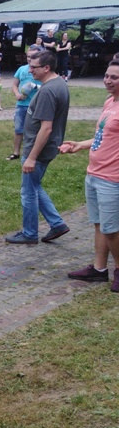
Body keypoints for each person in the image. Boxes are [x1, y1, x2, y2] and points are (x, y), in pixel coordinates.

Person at [61, 60, 119, 292]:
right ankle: (99, 269)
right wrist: (80, 145)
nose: (108, 81)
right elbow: (102, 136)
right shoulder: (109, 102)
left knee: (111, 229)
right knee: (99, 224)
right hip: (94, 172)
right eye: (107, 76)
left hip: (112, 178)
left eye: (114, 77)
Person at [5, 50, 70, 245]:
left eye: (34, 67)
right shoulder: (59, 84)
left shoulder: (48, 91)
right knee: (34, 186)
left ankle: (30, 233)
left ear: (46, 68)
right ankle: (57, 224)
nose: (30, 70)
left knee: (28, 192)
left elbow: (46, 127)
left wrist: (32, 157)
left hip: (39, 150)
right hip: (46, 148)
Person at [8, 46, 42, 161]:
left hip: (36, 104)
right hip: (21, 104)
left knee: (34, 130)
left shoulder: (42, 70)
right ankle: (16, 152)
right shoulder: (22, 69)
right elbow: (14, 85)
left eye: (33, 56)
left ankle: (32, 153)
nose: (29, 59)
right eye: (28, 56)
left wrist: (35, 86)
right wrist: (17, 94)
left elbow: (47, 86)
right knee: (18, 129)